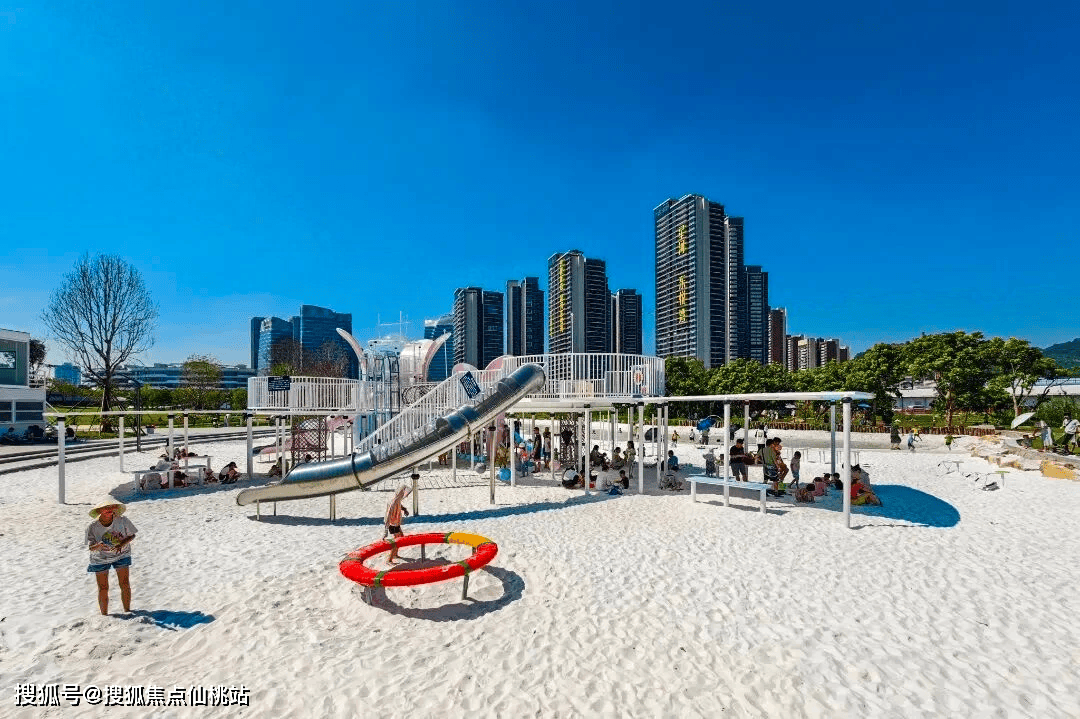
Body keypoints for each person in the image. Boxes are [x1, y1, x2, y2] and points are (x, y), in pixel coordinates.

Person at [86, 500, 136, 615]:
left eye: (111, 507)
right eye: (105, 507)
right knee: (103, 588)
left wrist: (122, 544)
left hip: (122, 554)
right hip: (100, 558)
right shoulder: (92, 527)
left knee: (124, 583)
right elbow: (90, 547)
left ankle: (127, 611)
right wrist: (98, 545)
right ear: (99, 511)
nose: (109, 509)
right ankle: (104, 615)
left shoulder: (123, 520)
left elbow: (132, 534)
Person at [384, 481, 413, 563]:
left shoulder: (397, 501)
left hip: (396, 524)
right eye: (404, 494)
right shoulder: (393, 503)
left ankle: (395, 554)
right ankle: (389, 560)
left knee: (401, 538)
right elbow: (387, 517)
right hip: (392, 525)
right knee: (396, 542)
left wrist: (404, 509)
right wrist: (385, 532)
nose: (405, 496)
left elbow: (400, 505)